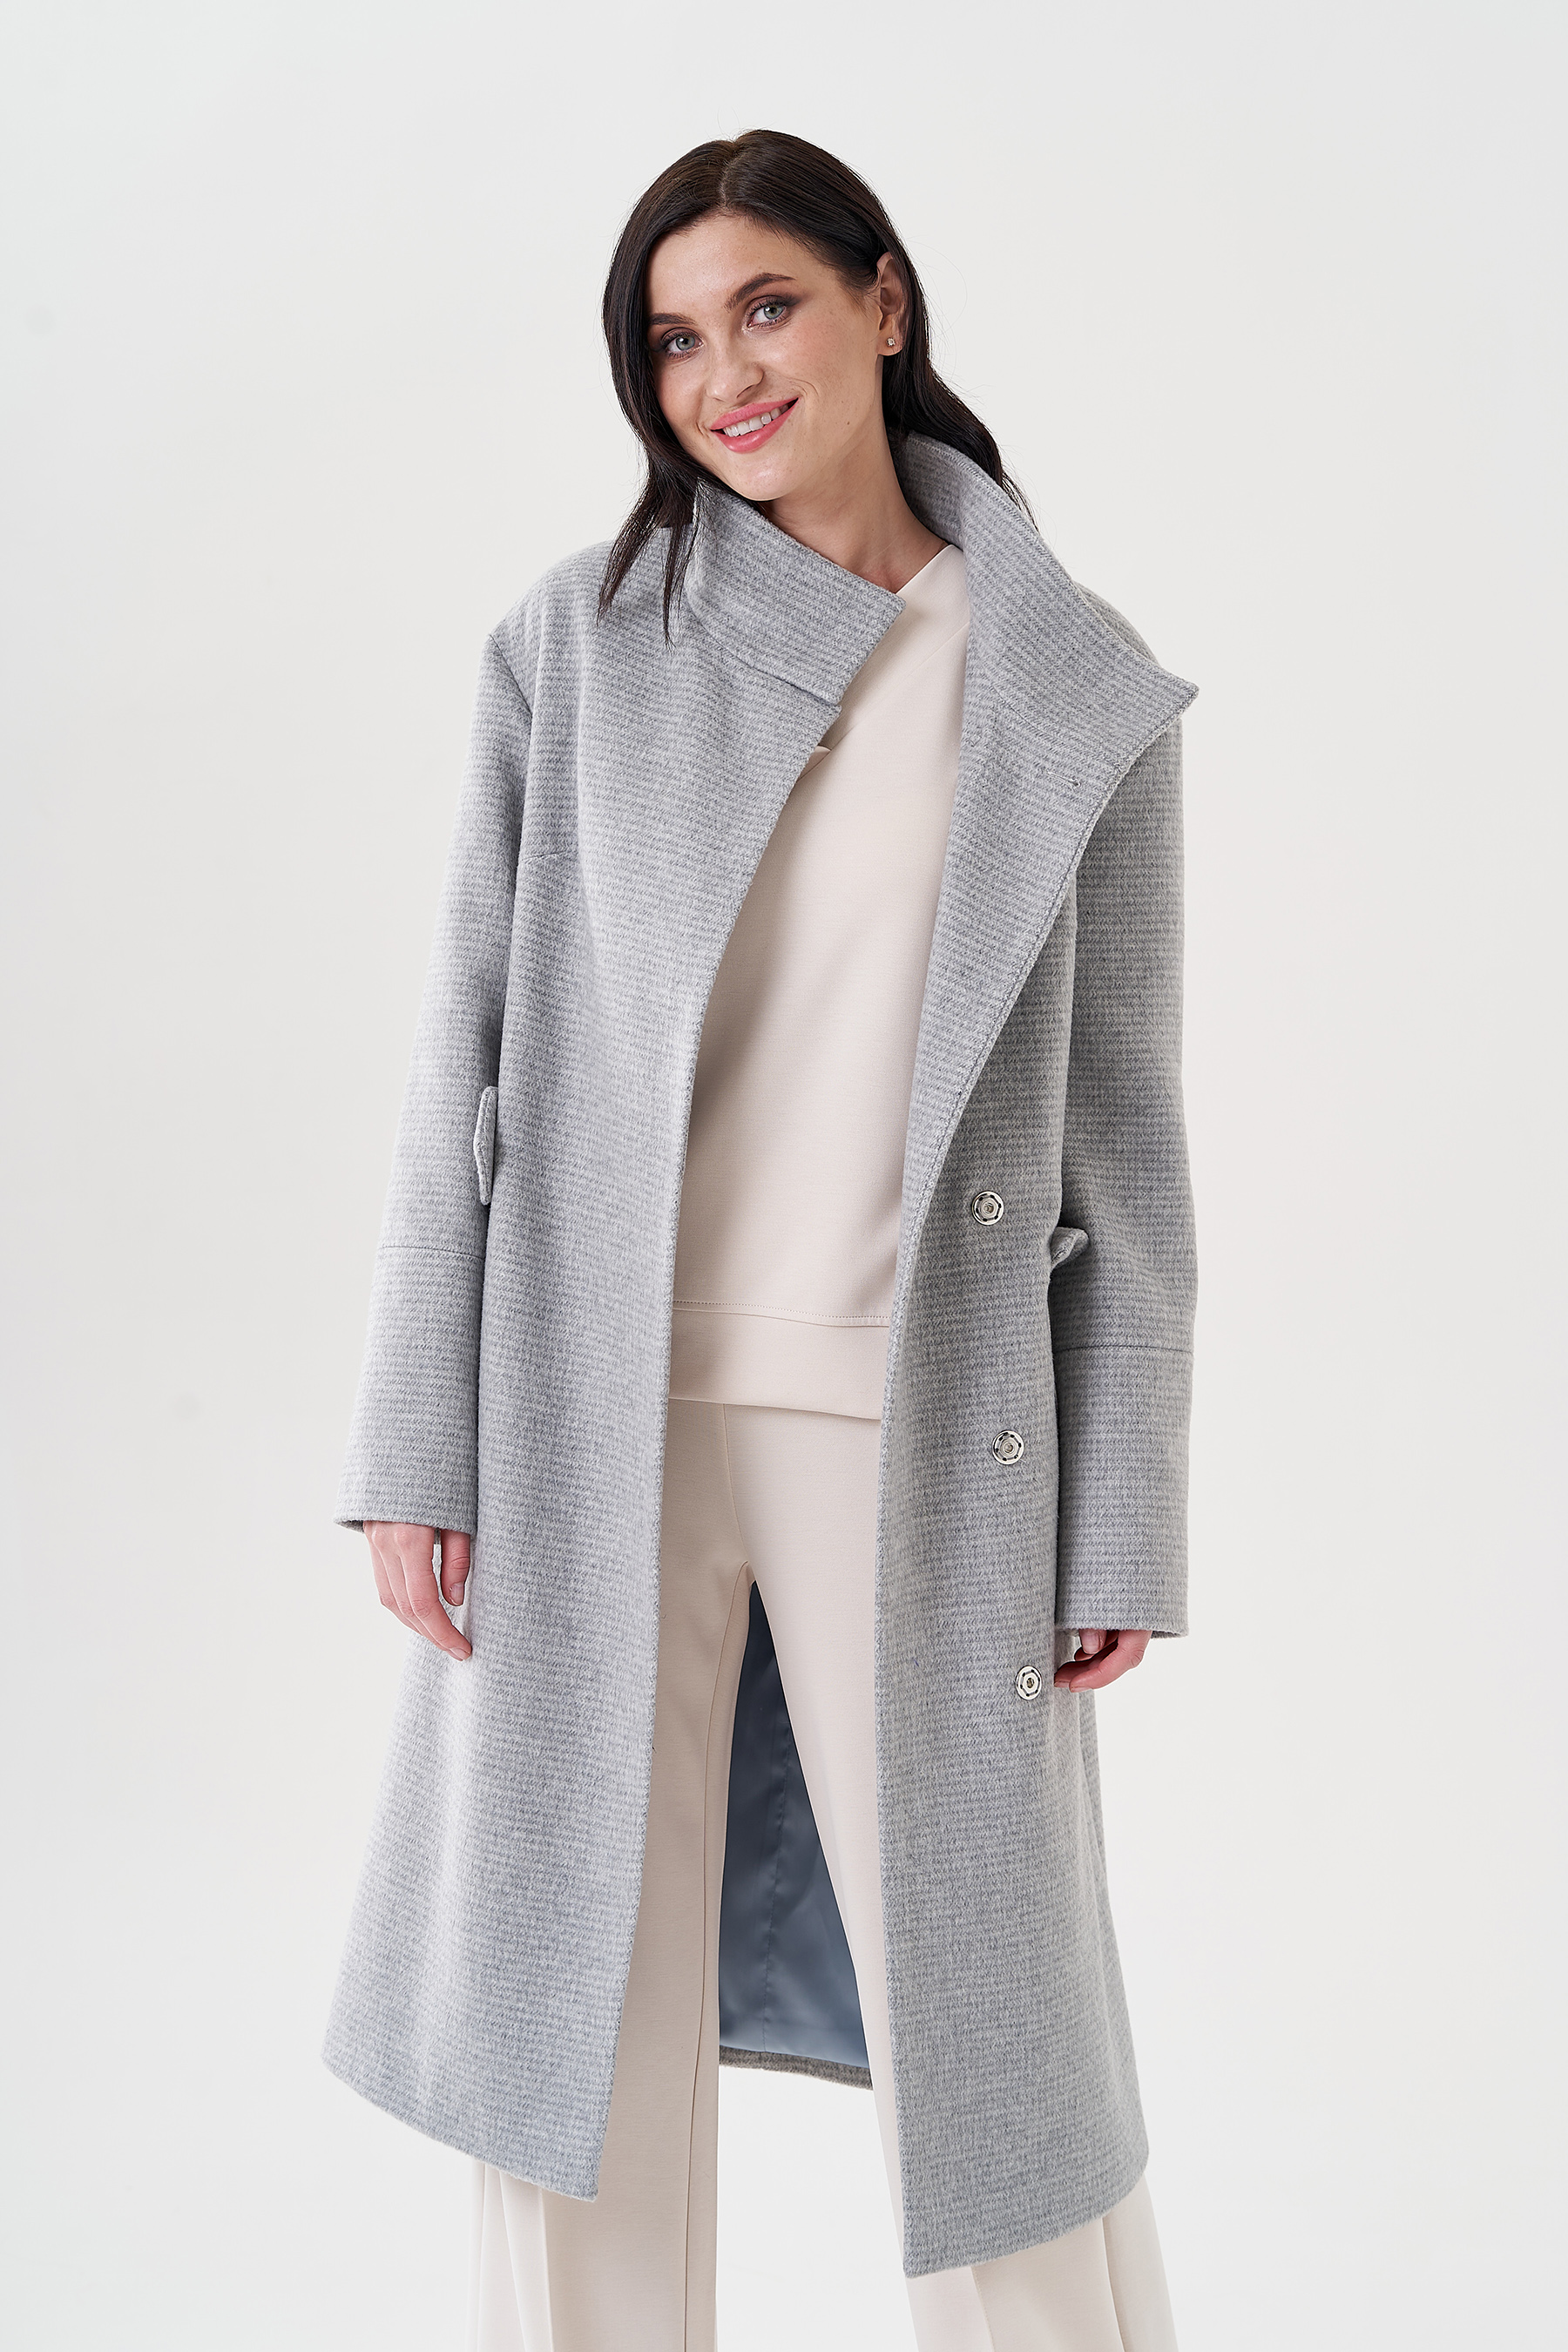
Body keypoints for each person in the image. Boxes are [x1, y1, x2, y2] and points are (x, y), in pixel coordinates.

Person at [328, 129, 1198, 2352]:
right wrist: (413, 1443)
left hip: (930, 1428)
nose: (722, 375)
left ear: (885, 300)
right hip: (590, 1408)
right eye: (674, 339)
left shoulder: (1070, 682)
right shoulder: (579, 647)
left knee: (995, 2061)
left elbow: (1125, 1143)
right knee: (575, 2049)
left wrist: (1123, 1512)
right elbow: (460, 1070)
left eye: (768, 306)